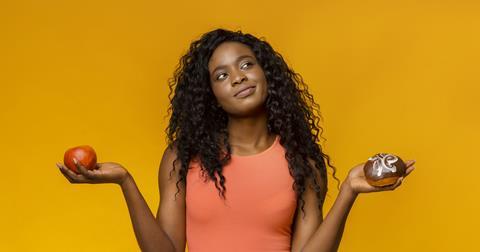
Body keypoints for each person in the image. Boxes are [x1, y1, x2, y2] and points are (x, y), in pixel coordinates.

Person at [57, 28, 415, 252]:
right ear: (211, 94)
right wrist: (125, 182)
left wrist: (349, 191)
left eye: (246, 65)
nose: (238, 78)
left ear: (266, 73)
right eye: (222, 75)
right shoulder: (182, 158)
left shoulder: (302, 163)